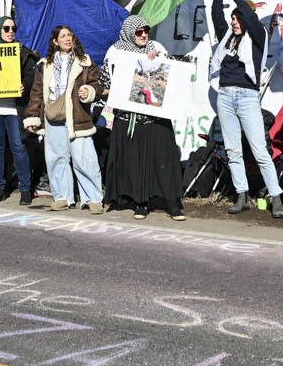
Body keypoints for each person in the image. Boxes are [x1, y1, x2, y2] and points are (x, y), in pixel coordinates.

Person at [210, 0, 283, 217]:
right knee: (233, 150)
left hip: (246, 96)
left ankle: (276, 197)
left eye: (238, 18)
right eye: (233, 18)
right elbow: (216, 17)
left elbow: (249, 15)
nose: (234, 21)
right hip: (225, 95)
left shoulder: (257, 37)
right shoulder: (227, 39)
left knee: (259, 149)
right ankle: (241, 195)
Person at [103, 15, 185, 221]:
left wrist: (159, 61)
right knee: (136, 162)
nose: (144, 35)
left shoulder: (157, 47)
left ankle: (173, 204)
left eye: (146, 30)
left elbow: (174, 73)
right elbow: (106, 81)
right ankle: (141, 202)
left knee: (165, 160)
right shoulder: (116, 51)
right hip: (131, 119)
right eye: (139, 31)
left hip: (156, 118)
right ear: (131, 32)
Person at [24, 25, 104, 211]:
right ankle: (62, 197)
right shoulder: (45, 65)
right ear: (55, 41)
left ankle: (93, 199)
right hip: (53, 116)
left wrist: (89, 91)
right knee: (56, 158)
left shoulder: (85, 63)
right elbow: (36, 93)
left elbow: (97, 85)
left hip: (78, 117)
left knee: (85, 159)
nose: (68, 39)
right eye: (63, 36)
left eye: (70, 35)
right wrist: (33, 117)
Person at [0, 15, 36, 205]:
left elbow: (31, 75)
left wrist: (25, 84)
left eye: (13, 29)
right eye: (6, 29)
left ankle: (25, 189)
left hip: (15, 109)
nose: (10, 32)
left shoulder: (23, 52)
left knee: (18, 148)